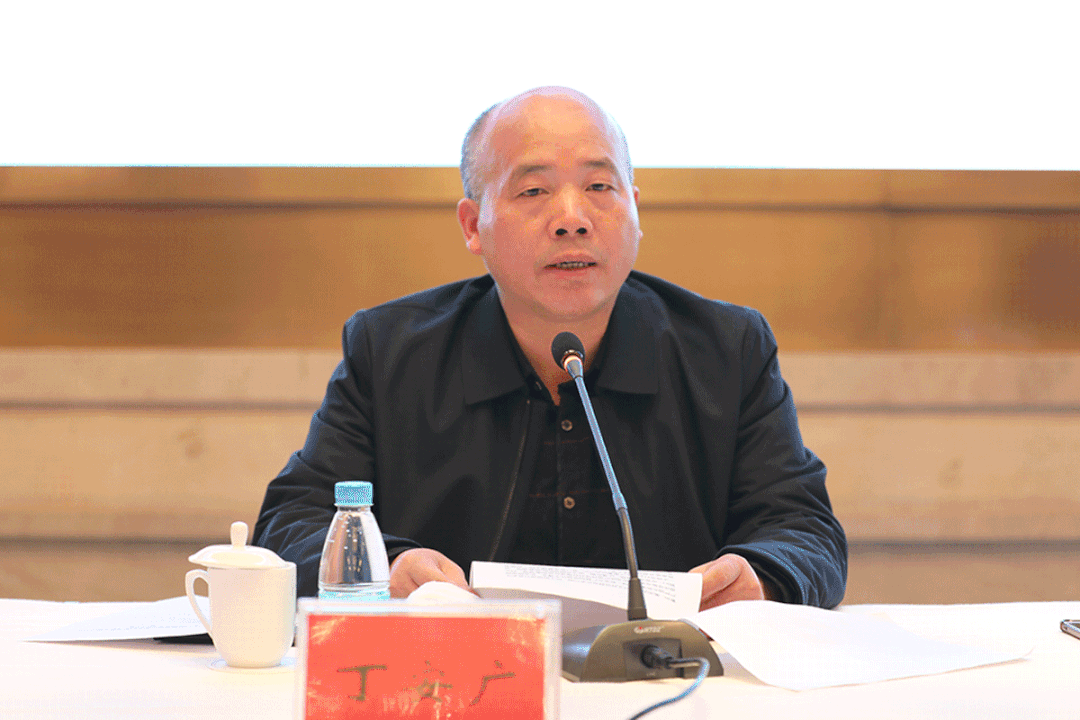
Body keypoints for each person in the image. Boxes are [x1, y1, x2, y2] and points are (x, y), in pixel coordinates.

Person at [253, 87, 847, 610]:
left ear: (635, 209)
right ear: (473, 225)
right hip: (456, 678)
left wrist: (763, 574)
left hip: (666, 678)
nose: (572, 219)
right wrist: (390, 567)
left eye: (599, 187)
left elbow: (804, 530)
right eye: (534, 190)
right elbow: (290, 524)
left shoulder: (726, 351)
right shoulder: (390, 353)